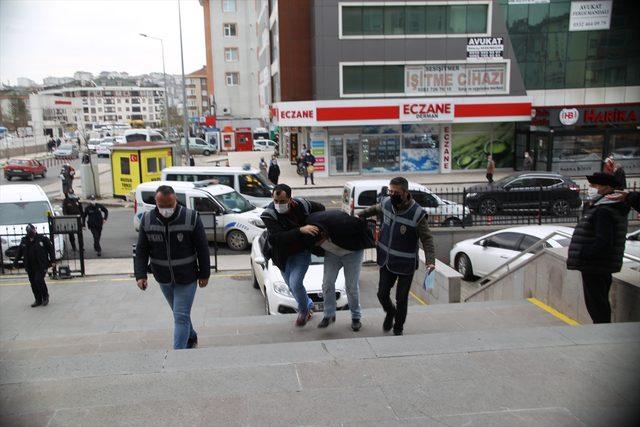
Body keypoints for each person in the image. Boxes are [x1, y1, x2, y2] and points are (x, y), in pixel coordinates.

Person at [134, 185, 210, 350]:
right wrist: (140, 275)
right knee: (179, 314)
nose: (166, 209)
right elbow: (141, 250)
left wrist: (204, 274)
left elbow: (202, 247)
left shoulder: (191, 217)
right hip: (163, 278)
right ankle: (191, 336)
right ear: (156, 201)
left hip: (187, 277)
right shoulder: (147, 220)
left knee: (180, 317)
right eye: (162, 205)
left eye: (169, 205)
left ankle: (178, 355)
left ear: (175, 200)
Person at [359, 177, 435, 336]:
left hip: (405, 264)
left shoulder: (418, 214)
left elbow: (427, 239)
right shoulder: (387, 203)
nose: (392, 194)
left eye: (396, 192)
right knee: (382, 294)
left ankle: (398, 328)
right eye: (390, 191)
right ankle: (390, 312)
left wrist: (430, 262)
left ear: (405, 193)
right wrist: (360, 215)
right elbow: (376, 208)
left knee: (402, 298)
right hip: (386, 260)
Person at [567, 172, 629, 324]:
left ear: (606, 188)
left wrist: (585, 253)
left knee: (596, 304)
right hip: (600, 264)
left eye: (594, 186)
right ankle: (601, 329)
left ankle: (601, 332)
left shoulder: (604, 211)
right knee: (598, 302)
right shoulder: (606, 206)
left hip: (595, 264)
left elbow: (604, 241)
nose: (590, 189)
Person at [260, 184, 325, 327]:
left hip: (301, 252)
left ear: (290, 199)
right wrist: (301, 230)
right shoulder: (268, 214)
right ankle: (308, 304)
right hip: (281, 256)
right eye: (276, 201)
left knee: (296, 284)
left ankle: (304, 312)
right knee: (291, 286)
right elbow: (276, 238)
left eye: (282, 201)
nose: (278, 204)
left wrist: (317, 230)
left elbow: (321, 209)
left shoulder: (302, 205)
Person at [306, 210, 375, 331]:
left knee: (351, 286)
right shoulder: (311, 232)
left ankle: (356, 317)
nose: (319, 244)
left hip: (353, 252)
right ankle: (329, 315)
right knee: (327, 283)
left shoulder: (342, 225)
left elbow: (362, 226)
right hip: (332, 254)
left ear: (324, 233)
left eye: (320, 241)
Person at [13, 224, 55, 307]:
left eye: (32, 231)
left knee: (38, 280)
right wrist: (15, 262)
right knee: (33, 283)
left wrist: (52, 261)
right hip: (29, 266)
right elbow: (19, 252)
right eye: (29, 232)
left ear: (34, 230)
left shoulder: (42, 239)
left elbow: (51, 249)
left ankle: (45, 296)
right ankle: (38, 299)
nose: (31, 233)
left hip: (41, 265)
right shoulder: (24, 241)